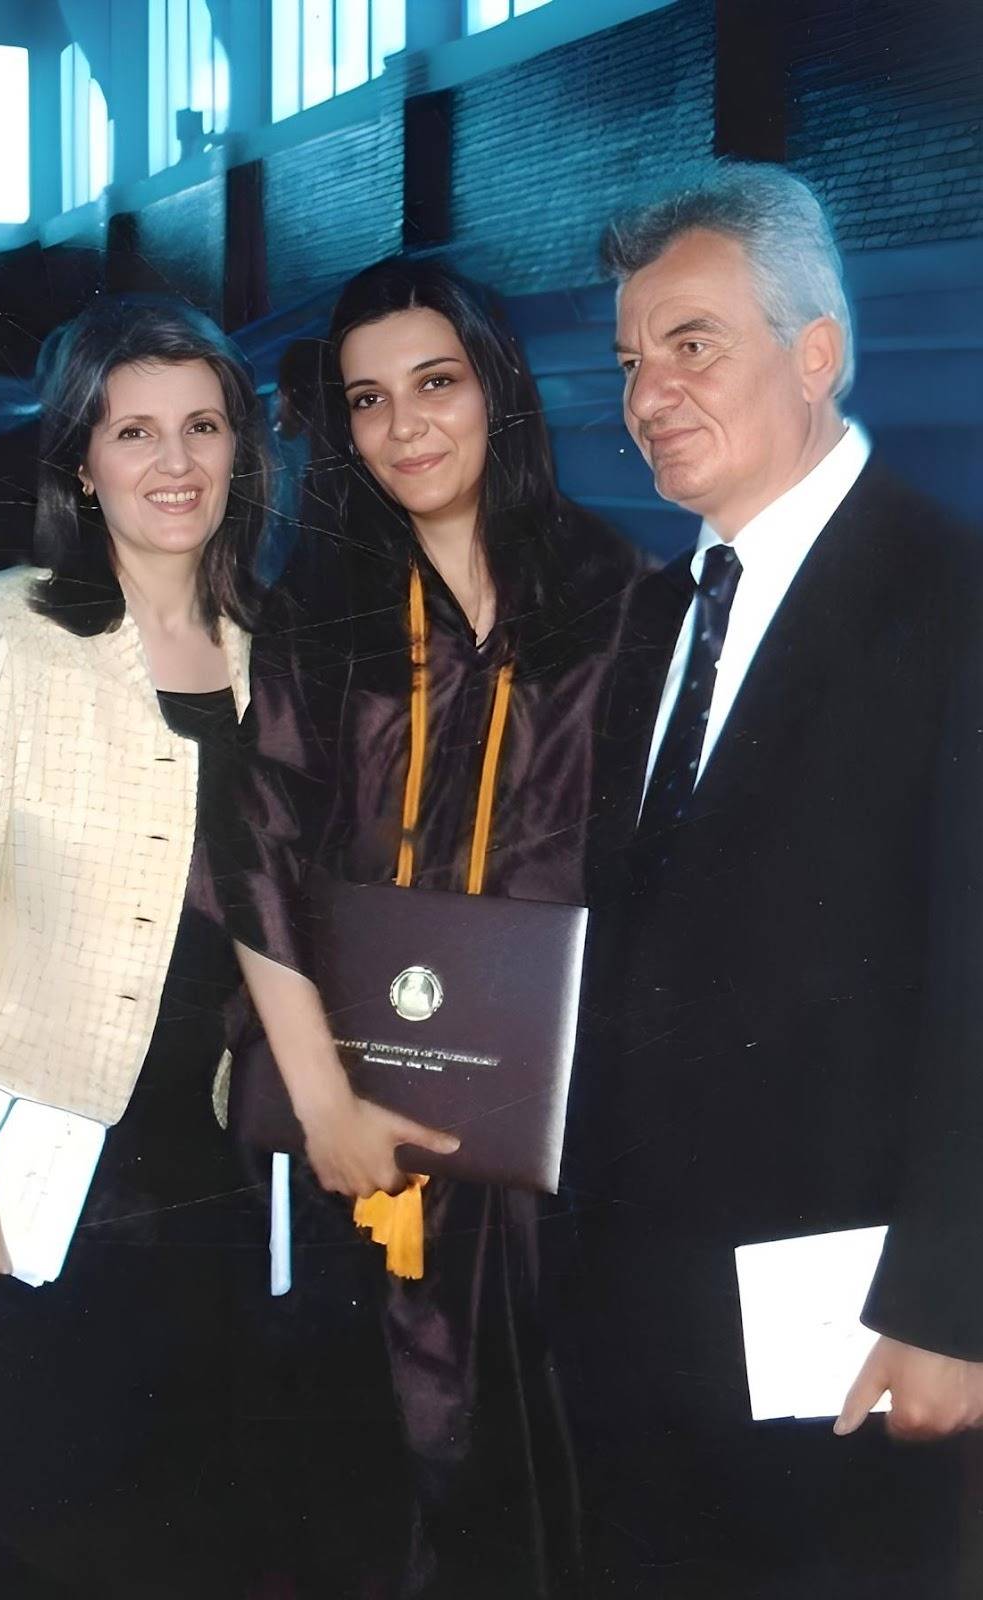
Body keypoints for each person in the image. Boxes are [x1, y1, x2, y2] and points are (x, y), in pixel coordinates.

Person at [562, 161, 983, 1597]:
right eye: (631, 360)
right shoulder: (657, 616)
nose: (648, 393)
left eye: (693, 344)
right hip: (642, 1320)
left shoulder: (952, 599)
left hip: (855, 1329)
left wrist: (954, 1304)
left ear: (818, 353)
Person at [211, 256, 641, 1599]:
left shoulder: (617, 592)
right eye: (366, 400)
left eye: (435, 382)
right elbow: (257, 849)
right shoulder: (323, 605)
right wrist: (321, 1104)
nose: (404, 427)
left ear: (495, 387)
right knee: (355, 1482)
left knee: (532, 1471)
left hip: (540, 1143)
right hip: (350, 1112)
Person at [0, 295, 277, 1599]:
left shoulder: (271, 647)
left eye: (202, 427)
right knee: (18, 1524)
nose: (175, 462)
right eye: (134, 432)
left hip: (207, 1168)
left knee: (180, 1528)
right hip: (24, 1160)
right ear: (80, 461)